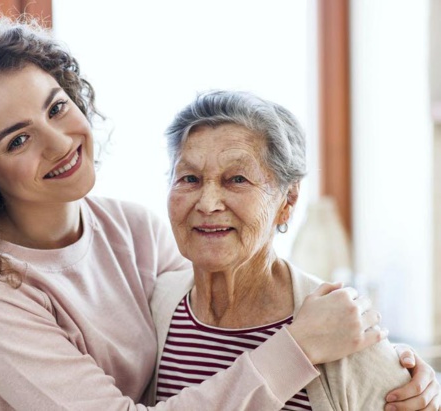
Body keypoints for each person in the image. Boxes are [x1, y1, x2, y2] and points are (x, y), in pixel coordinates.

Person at [0, 17, 438, 410]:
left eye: (58, 107)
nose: (60, 142)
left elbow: (214, 318)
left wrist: (398, 369)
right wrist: (300, 346)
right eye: (17, 140)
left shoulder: (130, 228)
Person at [148, 89, 441, 410]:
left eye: (237, 179)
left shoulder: (344, 330)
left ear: (287, 201)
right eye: (189, 178)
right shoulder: (155, 306)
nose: (207, 203)